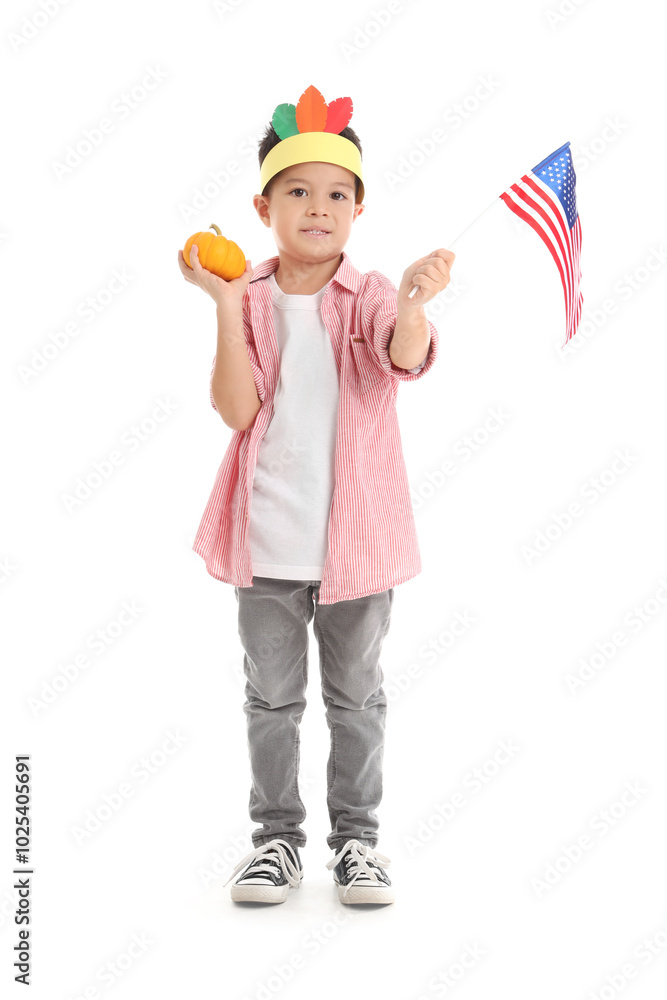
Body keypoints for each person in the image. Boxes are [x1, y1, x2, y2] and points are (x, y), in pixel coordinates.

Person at [177, 84, 455, 905]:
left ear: (358, 209)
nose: (318, 207)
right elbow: (235, 409)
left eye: (337, 193)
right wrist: (225, 304)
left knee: (356, 697)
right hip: (264, 543)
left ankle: (357, 845)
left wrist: (410, 305)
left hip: (357, 547)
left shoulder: (369, 296)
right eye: (297, 190)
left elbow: (403, 358)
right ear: (263, 206)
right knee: (270, 699)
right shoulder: (252, 296)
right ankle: (275, 842)